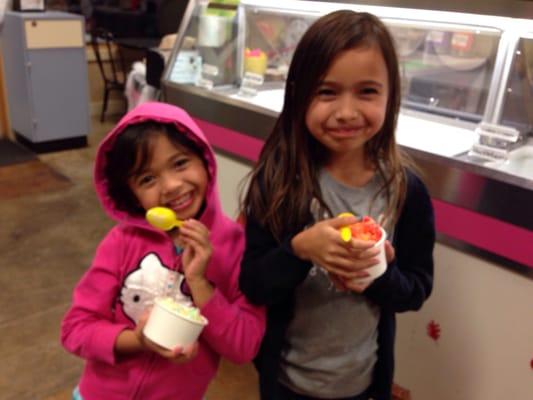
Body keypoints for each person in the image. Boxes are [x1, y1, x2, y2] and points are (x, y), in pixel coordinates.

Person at [239, 10, 435, 400]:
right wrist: (300, 250)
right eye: (326, 92)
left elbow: (415, 291)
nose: (346, 112)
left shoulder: (405, 190)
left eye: (367, 91)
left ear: (391, 94)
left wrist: (379, 273)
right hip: (285, 383)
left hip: (364, 384)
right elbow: (253, 285)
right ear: (298, 95)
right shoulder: (277, 182)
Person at [61, 102, 265, 400]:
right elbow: (75, 329)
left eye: (180, 163)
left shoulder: (237, 245)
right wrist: (136, 341)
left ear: (205, 161)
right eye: (147, 179)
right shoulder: (121, 242)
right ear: (130, 194)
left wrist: (200, 284)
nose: (170, 186)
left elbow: (244, 346)